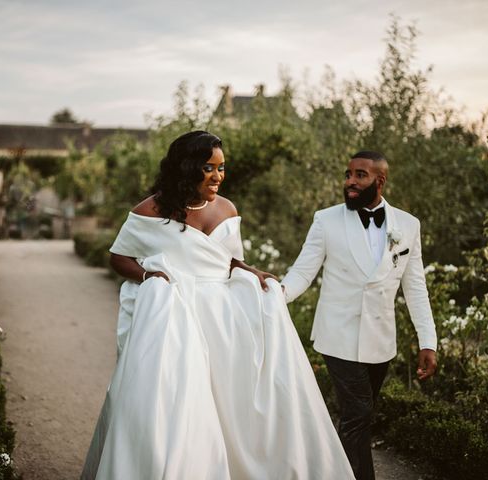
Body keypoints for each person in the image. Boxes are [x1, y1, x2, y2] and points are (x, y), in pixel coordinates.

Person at [81, 131, 355, 479]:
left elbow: (229, 262)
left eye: (221, 168)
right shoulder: (149, 210)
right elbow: (119, 258)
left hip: (220, 318)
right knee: (182, 405)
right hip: (175, 318)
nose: (217, 176)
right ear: (186, 167)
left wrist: (252, 271)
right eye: (208, 167)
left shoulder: (227, 209)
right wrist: (149, 278)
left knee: (228, 404)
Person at [281, 150, 437, 480]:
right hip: (337, 336)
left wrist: (428, 341)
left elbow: (415, 287)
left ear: (380, 181)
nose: (350, 181)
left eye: (360, 175)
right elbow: (303, 272)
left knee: (360, 419)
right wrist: (276, 296)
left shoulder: (408, 225)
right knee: (358, 413)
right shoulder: (326, 219)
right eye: (348, 174)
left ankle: (328, 470)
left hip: (379, 342)